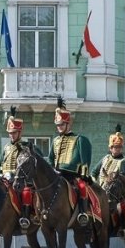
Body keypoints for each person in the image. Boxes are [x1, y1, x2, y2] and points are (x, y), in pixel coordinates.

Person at [48, 97, 92, 226]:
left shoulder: (79, 139)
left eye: (62, 124)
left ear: (68, 124)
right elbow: (51, 159)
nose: (59, 127)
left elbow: (84, 160)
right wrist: (51, 170)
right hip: (56, 175)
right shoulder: (55, 141)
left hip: (72, 175)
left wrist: (79, 173)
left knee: (82, 187)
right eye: (58, 125)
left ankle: (83, 213)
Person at [0, 106, 39, 229]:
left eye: (14, 133)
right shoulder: (6, 148)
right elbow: (0, 164)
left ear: (20, 132)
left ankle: (25, 218)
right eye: (10, 133)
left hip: (20, 180)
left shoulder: (26, 147)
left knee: (26, 193)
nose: (11, 136)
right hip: (4, 179)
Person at [91, 124, 125, 236]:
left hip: (116, 195)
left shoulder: (124, 162)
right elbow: (94, 172)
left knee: (121, 208)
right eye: (115, 147)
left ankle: (123, 228)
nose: (117, 149)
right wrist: (95, 184)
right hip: (101, 191)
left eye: (119, 147)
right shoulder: (105, 158)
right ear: (110, 148)